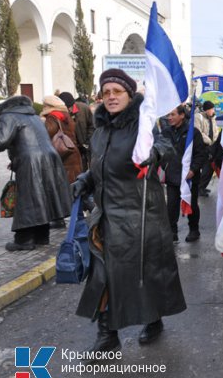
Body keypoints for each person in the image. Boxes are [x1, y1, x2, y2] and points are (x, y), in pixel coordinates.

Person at [71, 68, 186, 354]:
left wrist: (154, 155)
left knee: (144, 274)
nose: (110, 97)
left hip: (140, 215)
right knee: (104, 275)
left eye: (117, 92)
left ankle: (153, 318)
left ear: (128, 94)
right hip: (106, 217)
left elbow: (164, 145)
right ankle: (107, 335)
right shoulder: (99, 132)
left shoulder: (144, 124)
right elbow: (99, 166)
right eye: (106, 92)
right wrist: (85, 180)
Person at [0, 96, 71, 251]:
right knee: (41, 196)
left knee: (28, 198)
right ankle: (41, 236)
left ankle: (24, 240)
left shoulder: (8, 116)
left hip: (31, 161)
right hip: (49, 158)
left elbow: (0, 141)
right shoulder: (33, 116)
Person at [162, 104, 207, 243]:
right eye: (168, 115)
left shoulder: (193, 132)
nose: (169, 118)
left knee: (192, 204)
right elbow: (161, 152)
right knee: (171, 206)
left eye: (172, 114)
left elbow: (201, 154)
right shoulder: (166, 133)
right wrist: (165, 167)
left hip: (189, 177)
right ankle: (172, 232)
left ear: (182, 115)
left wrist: (193, 170)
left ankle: (194, 230)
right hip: (172, 175)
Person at [41, 95, 82, 183]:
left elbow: (46, 134)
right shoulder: (66, 115)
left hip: (63, 161)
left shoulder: (52, 117)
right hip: (73, 156)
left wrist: (42, 123)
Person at [59, 91, 95, 170]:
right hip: (71, 149)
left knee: (85, 170)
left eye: (70, 108)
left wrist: (87, 141)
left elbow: (92, 126)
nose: (69, 111)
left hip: (85, 147)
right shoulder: (61, 113)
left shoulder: (84, 108)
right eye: (66, 108)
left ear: (73, 104)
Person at [194, 100, 219, 196]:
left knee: (209, 168)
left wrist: (215, 142)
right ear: (206, 110)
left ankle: (202, 187)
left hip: (211, 147)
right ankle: (199, 188)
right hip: (203, 146)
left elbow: (215, 131)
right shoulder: (198, 117)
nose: (213, 110)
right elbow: (198, 132)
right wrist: (209, 141)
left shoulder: (213, 118)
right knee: (206, 167)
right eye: (211, 109)